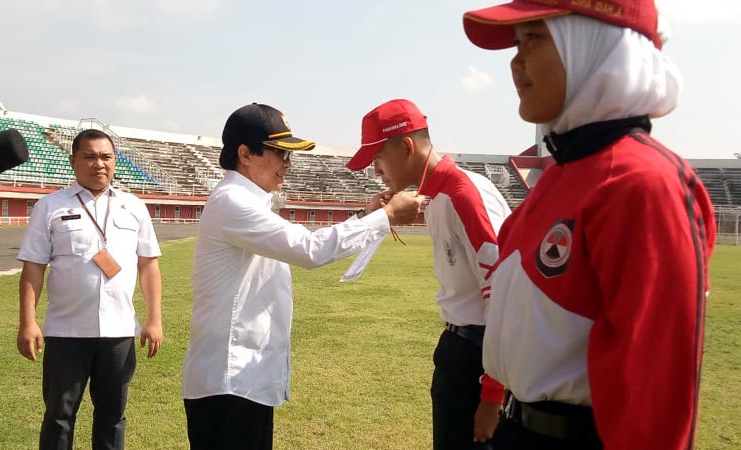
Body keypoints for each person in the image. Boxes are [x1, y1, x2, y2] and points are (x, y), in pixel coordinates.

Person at [462, 1, 717, 449]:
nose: (515, 62)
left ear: (593, 45)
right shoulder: (561, 172)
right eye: (517, 42)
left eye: (534, 38)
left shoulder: (642, 184)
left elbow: (654, 397)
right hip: (517, 427)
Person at [182, 102, 424, 450]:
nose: (288, 163)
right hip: (229, 381)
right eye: (280, 153)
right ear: (246, 154)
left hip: (241, 379)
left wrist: (364, 215)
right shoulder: (233, 201)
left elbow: (302, 244)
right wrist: (384, 216)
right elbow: (310, 249)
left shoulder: (244, 200)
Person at [346, 99, 511, 450]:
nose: (375, 170)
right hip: (459, 350)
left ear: (406, 146)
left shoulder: (464, 195)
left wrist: (493, 393)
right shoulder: (437, 196)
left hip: (478, 358)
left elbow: (503, 294)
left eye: (377, 158)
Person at [16, 129, 163, 450]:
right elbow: (33, 267)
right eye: (90, 156)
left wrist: (154, 319)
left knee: (112, 416)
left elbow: (149, 265)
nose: (99, 164)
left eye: (106, 157)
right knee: (59, 415)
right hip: (66, 333)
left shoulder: (133, 206)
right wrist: (28, 322)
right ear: (73, 161)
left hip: (119, 333)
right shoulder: (50, 207)